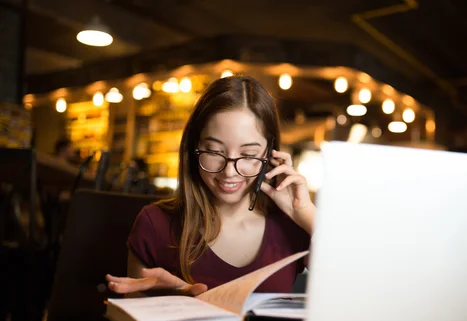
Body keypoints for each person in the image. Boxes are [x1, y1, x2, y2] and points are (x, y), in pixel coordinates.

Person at [106, 76, 315, 296]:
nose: (229, 171)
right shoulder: (155, 225)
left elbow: (351, 301)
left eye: (248, 154)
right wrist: (178, 299)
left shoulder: (293, 227)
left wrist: (306, 213)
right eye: (214, 152)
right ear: (193, 147)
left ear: (271, 153)